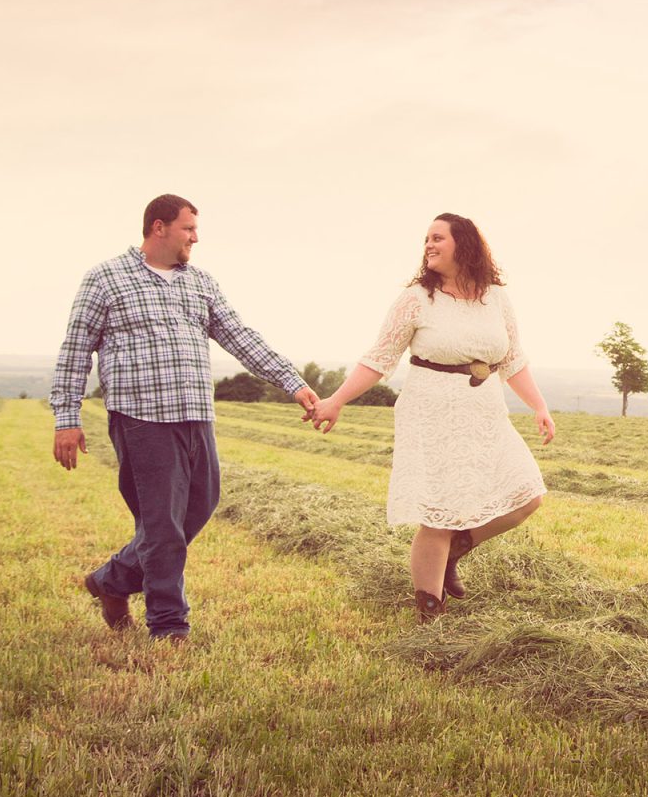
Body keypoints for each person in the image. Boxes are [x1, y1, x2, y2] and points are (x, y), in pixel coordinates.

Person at [51, 193, 320, 643]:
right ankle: (169, 627)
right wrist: (66, 417)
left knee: (199, 507)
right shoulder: (106, 278)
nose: (196, 237)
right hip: (142, 419)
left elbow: (239, 336)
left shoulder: (200, 282)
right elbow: (75, 350)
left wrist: (292, 381)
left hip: (196, 415)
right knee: (162, 527)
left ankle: (110, 581)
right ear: (159, 227)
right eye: (188, 229)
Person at [309, 212, 555, 622]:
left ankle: (457, 550)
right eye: (426, 239)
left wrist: (539, 406)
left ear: (465, 243)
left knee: (527, 496)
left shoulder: (495, 297)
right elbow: (379, 358)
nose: (428, 245)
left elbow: (513, 358)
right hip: (431, 410)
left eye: (437, 237)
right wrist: (336, 400)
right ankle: (429, 612)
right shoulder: (416, 299)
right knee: (439, 512)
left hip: (485, 411)